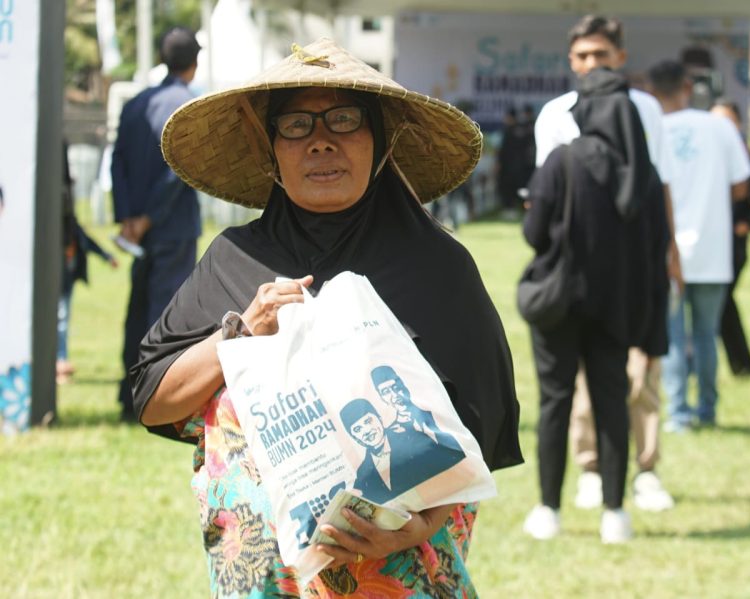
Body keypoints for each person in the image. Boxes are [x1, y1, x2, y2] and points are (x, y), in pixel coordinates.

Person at [129, 38, 522, 597]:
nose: (320, 143)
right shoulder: (235, 261)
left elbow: (476, 437)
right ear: (272, 150)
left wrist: (419, 526)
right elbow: (153, 400)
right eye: (296, 125)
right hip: (268, 579)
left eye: (344, 120)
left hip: (397, 563)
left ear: (380, 143)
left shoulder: (438, 267)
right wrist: (239, 333)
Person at [534, 14, 678, 516]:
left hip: (634, 265)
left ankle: (647, 469)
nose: (592, 64)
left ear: (620, 56)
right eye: (583, 56)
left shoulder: (645, 109)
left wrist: (668, 252)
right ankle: (590, 469)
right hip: (575, 275)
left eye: (601, 54)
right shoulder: (555, 114)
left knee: (641, 374)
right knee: (579, 388)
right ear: (571, 60)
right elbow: (545, 198)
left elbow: (658, 185)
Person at [648, 60, 750, 432]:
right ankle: (708, 410)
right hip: (712, 247)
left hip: (666, 249)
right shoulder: (720, 127)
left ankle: (678, 414)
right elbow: (742, 185)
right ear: (688, 86)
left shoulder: (653, 127)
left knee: (674, 335)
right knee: (706, 333)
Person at [111, 26, 202, 421]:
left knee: (138, 308)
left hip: (139, 230)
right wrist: (150, 217)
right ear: (194, 64)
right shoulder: (188, 106)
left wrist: (128, 217)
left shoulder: (136, 104)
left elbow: (118, 164)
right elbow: (179, 172)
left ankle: (125, 392)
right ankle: (151, 399)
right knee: (164, 314)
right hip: (172, 226)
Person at [59, 143, 118, 384]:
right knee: (60, 316)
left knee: (63, 315)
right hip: (58, 272)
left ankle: (60, 360)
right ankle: (58, 361)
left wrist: (106, 256)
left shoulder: (69, 221)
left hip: (68, 270)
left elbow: (84, 238)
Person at [710, 98, 750, 377]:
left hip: (731, 245)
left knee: (722, 303)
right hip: (707, 243)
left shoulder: (741, 156)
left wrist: (742, 223)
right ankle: (739, 365)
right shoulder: (703, 153)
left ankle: (741, 364)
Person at [340, 398, 466, 504]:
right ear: (354, 437)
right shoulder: (362, 476)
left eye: (368, 421)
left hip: (442, 508)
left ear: (379, 418)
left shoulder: (413, 440)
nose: (366, 431)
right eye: (357, 429)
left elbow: (456, 466)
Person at [370, 364, 459, 448]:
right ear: (382, 398)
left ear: (403, 384)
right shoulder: (391, 435)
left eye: (395, 387)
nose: (394, 394)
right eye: (386, 392)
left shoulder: (435, 411)